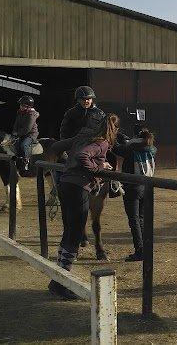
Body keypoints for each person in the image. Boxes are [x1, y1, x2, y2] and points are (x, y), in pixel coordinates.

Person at [47, 113, 119, 300]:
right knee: (75, 235)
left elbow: (56, 146)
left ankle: (58, 279)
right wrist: (97, 170)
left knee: (68, 232)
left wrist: (69, 161)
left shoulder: (82, 136)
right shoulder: (101, 142)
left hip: (65, 184)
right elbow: (83, 155)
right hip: (79, 188)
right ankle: (62, 282)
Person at [113, 128, 156, 262]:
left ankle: (139, 251)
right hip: (147, 187)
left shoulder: (129, 149)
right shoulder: (151, 148)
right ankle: (146, 249)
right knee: (142, 219)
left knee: (134, 220)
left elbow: (115, 148)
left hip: (132, 188)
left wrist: (114, 135)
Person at [11, 95, 39, 172]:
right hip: (21, 134)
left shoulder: (31, 115)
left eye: (23, 105)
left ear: (28, 107)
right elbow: (15, 125)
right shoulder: (20, 114)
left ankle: (27, 161)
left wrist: (18, 134)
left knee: (24, 144)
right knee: (13, 144)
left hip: (30, 134)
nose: (21, 107)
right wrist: (14, 134)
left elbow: (27, 128)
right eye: (21, 105)